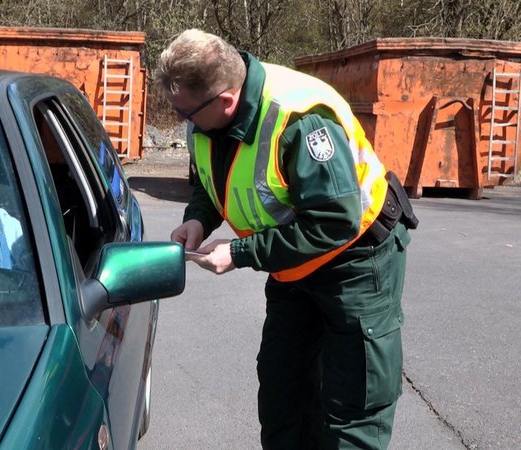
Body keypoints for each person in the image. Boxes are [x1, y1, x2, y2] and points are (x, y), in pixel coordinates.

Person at [155, 29, 417, 449]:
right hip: (292, 268)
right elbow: (214, 179)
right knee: (283, 390)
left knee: (352, 408)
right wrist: (198, 220)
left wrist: (240, 253)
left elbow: (334, 222)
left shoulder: (299, 120)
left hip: (356, 261)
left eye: (186, 114)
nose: (182, 122)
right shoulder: (207, 118)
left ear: (225, 100)